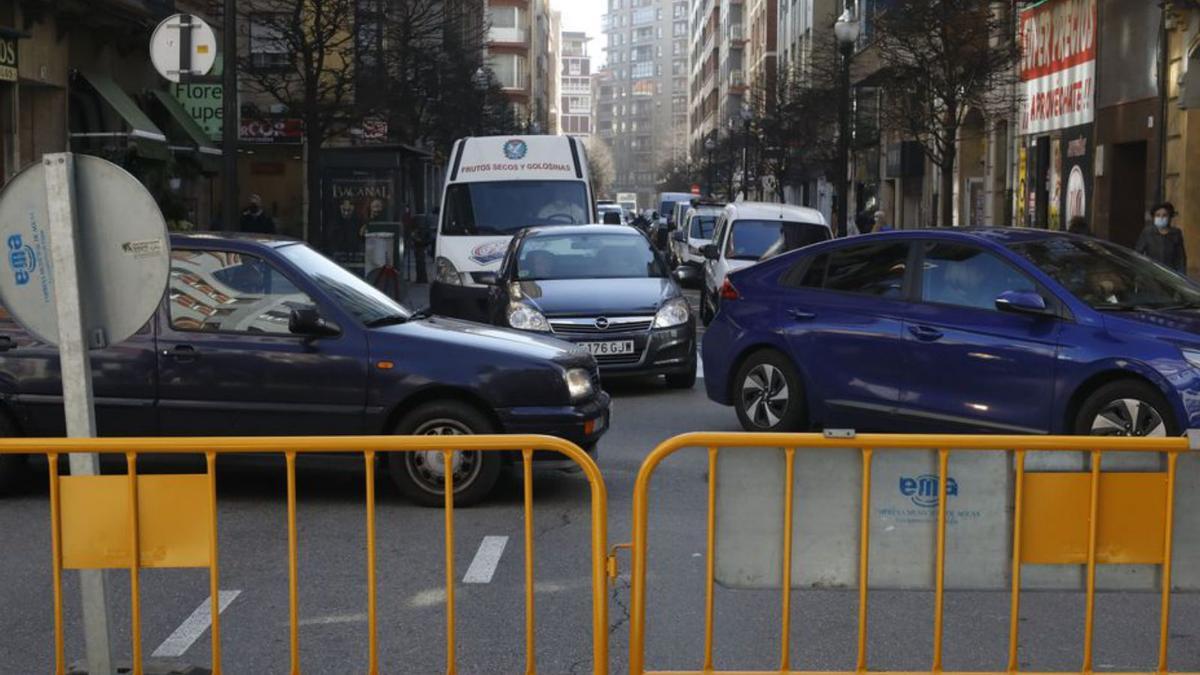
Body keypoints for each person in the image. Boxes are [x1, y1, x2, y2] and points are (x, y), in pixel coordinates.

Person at [1135, 202, 1187, 274]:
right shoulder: (1148, 232)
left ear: (1169, 217)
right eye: (1158, 215)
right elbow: (1138, 253)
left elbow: (1180, 258)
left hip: (1170, 274)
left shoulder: (1176, 233)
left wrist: (1182, 277)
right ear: (1154, 217)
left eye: (1164, 215)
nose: (1161, 218)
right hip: (1151, 274)